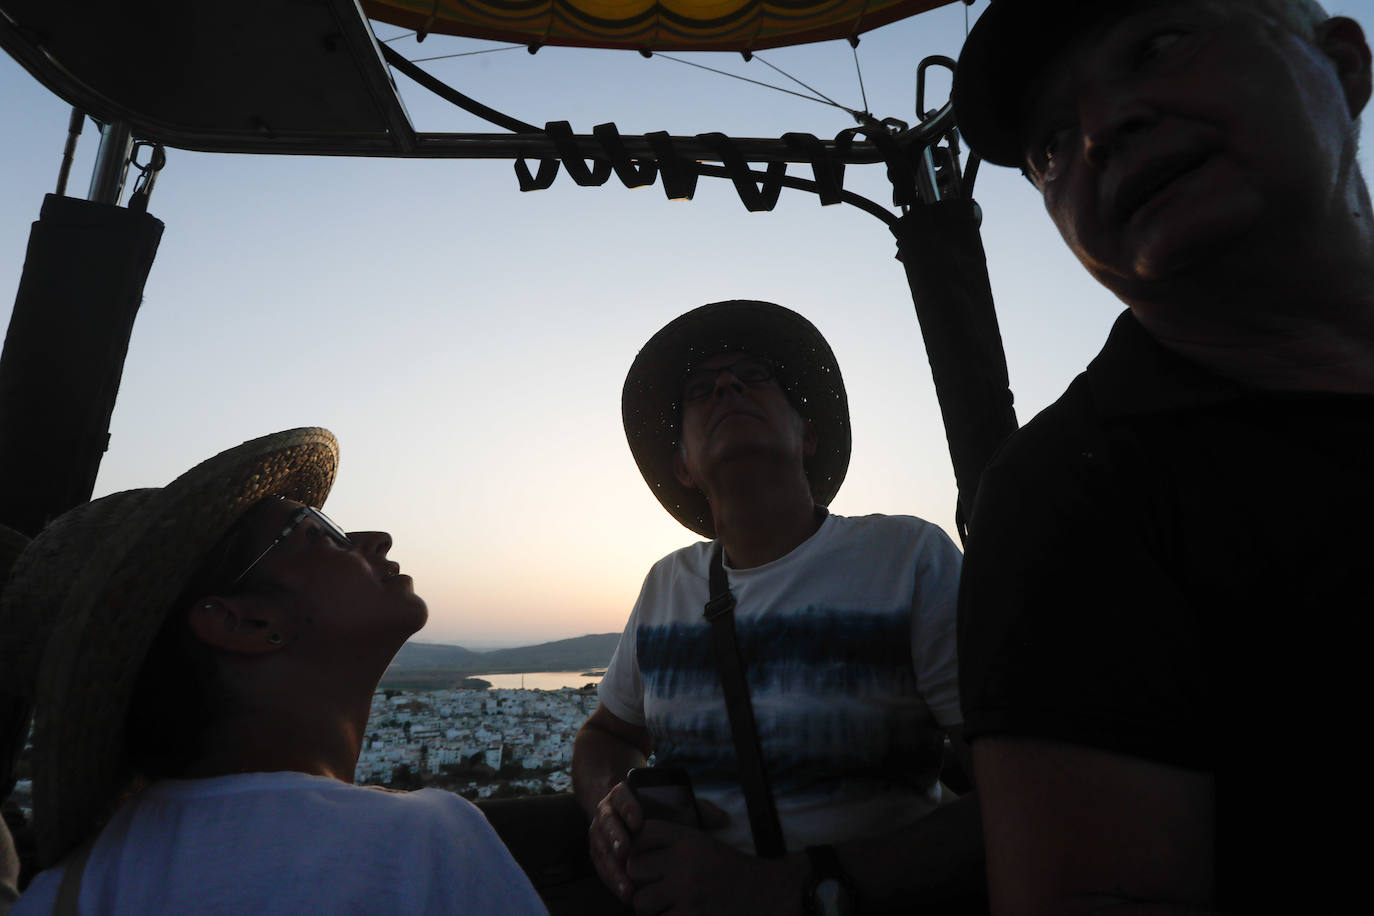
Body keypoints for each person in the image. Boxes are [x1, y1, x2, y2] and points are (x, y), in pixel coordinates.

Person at [950, 1, 1374, 913]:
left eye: (1160, 46)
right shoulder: (1066, 501)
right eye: (1051, 142)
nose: (1103, 131)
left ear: (1343, 67)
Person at [0, 428, 547, 914]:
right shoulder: (420, 849)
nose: (375, 540)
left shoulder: (69, 890)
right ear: (245, 622)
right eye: (317, 532)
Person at [572, 300, 982, 915]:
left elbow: (1019, 784)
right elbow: (607, 734)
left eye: (754, 377)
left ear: (806, 434)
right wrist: (609, 802)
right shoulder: (666, 586)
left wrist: (783, 888)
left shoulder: (907, 557)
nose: (728, 387)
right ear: (683, 464)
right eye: (701, 390)